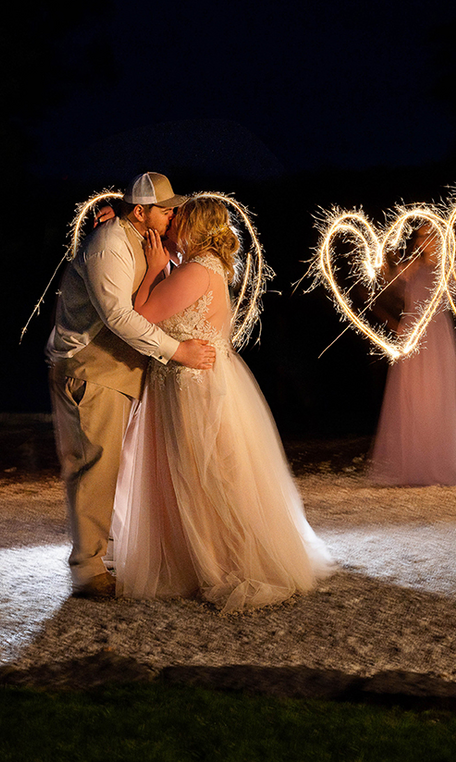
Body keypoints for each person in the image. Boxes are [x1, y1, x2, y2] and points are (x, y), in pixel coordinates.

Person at [113, 196, 335, 613]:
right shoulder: (205, 267)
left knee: (200, 474)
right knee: (205, 472)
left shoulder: (195, 271)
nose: (171, 223)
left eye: (179, 218)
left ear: (194, 226)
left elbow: (140, 314)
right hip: (198, 380)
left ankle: (216, 564)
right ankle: (204, 558)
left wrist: (153, 272)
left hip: (191, 387)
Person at [46, 172, 216, 598]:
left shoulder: (136, 237)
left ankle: (101, 554)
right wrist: (178, 352)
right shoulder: (109, 245)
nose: (174, 214)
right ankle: (88, 569)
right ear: (141, 211)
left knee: (110, 466)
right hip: (92, 367)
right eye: (166, 209)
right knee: (96, 467)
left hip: (114, 371)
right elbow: (118, 316)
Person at [368, 224, 456, 486]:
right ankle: (414, 467)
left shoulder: (450, 268)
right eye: (422, 236)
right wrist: (386, 263)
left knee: (437, 397)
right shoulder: (409, 269)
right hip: (412, 340)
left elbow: (452, 295)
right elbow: (384, 288)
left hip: (437, 338)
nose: (426, 241)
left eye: (432, 236)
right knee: (413, 399)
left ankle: (439, 465)